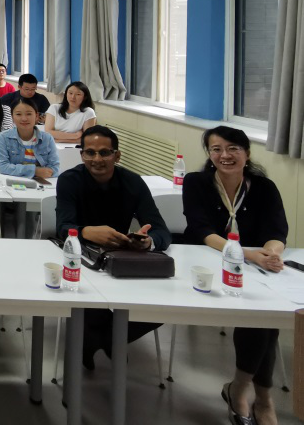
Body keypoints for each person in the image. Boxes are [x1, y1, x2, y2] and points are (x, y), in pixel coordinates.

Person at [183, 126, 287, 425]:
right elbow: (200, 229)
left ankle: (246, 391)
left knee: (262, 312)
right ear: (209, 154)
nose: (224, 155)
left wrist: (271, 252)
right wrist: (246, 254)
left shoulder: (264, 187)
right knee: (261, 317)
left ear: (247, 153)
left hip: (253, 265)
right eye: (216, 149)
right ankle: (257, 396)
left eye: (233, 149)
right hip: (205, 262)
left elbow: (277, 230)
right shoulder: (196, 183)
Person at [56, 125, 172, 371]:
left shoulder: (133, 182)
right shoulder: (69, 180)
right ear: (82, 155)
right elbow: (63, 227)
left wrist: (147, 241)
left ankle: (101, 340)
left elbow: (162, 231)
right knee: (90, 305)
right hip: (79, 256)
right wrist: (87, 232)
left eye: (104, 153)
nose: (97, 159)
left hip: (121, 258)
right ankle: (107, 339)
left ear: (116, 156)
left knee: (164, 307)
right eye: (90, 153)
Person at [0, 98, 60, 180]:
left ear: (36, 116)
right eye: (18, 114)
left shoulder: (47, 139)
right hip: (13, 182)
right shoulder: (4, 137)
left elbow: (55, 169)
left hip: (42, 183)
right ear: (12, 117)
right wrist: (35, 171)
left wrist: (18, 170)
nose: (24, 119)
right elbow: (3, 167)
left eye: (29, 114)